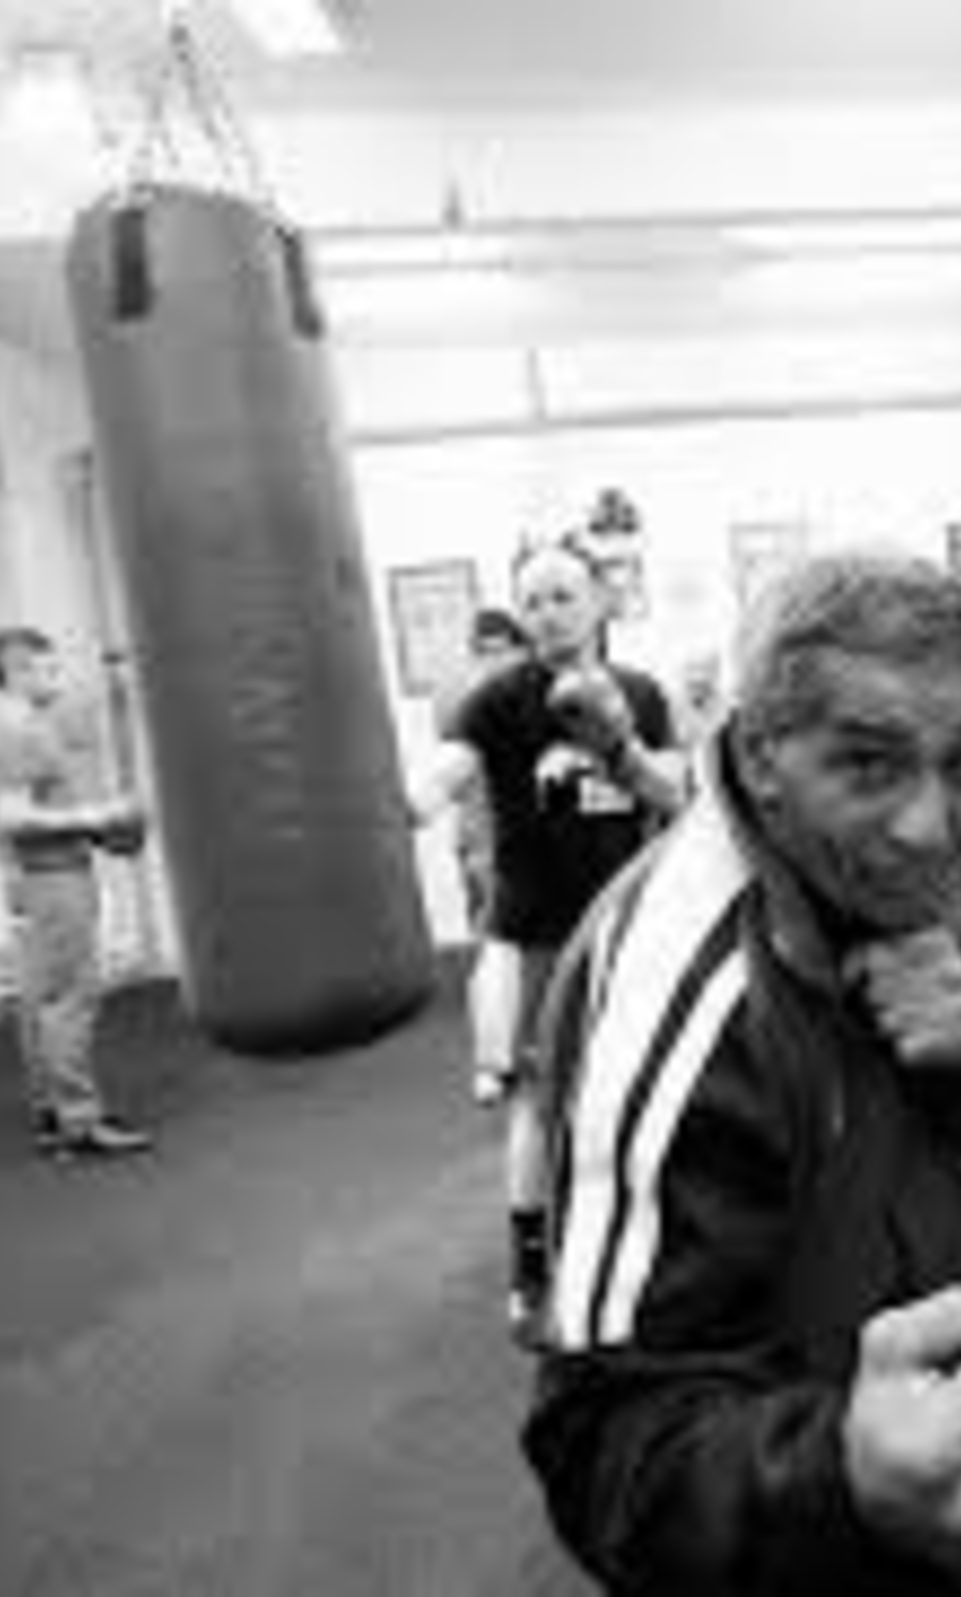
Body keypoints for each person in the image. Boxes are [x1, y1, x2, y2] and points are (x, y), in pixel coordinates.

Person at [522, 552, 961, 1596]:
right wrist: (844, 1476)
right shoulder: (682, 995)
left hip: (920, 1371)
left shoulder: (938, 851)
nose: (931, 822)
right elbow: (607, 1442)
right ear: (760, 755)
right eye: (868, 764)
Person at [412, 534, 688, 1335]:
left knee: (641, 1087)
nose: (547, 613)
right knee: (537, 1098)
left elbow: (676, 795)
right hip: (539, 935)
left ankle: (646, 1237)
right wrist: (407, 800)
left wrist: (619, 746)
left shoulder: (641, 691)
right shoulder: (499, 700)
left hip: (630, 929)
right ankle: (532, 1265)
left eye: (564, 595)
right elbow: (450, 767)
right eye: (531, 600)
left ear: (599, 601)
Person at [0, 626, 153, 1161]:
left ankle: (54, 1116)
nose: (58, 677)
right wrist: (96, 816)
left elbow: (26, 809)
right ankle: (80, 1122)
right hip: (54, 879)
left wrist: (117, 688)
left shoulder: (14, 726)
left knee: (44, 1001)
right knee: (72, 999)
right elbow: (14, 817)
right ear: (17, 672)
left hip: (37, 878)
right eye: (48, 668)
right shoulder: (19, 733)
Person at [432, 606, 531, 936]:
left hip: (525, 835)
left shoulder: (536, 688)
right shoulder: (459, 692)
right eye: (483, 652)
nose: (494, 661)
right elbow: (450, 742)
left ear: (521, 650)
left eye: (501, 650)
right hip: (481, 832)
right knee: (490, 926)